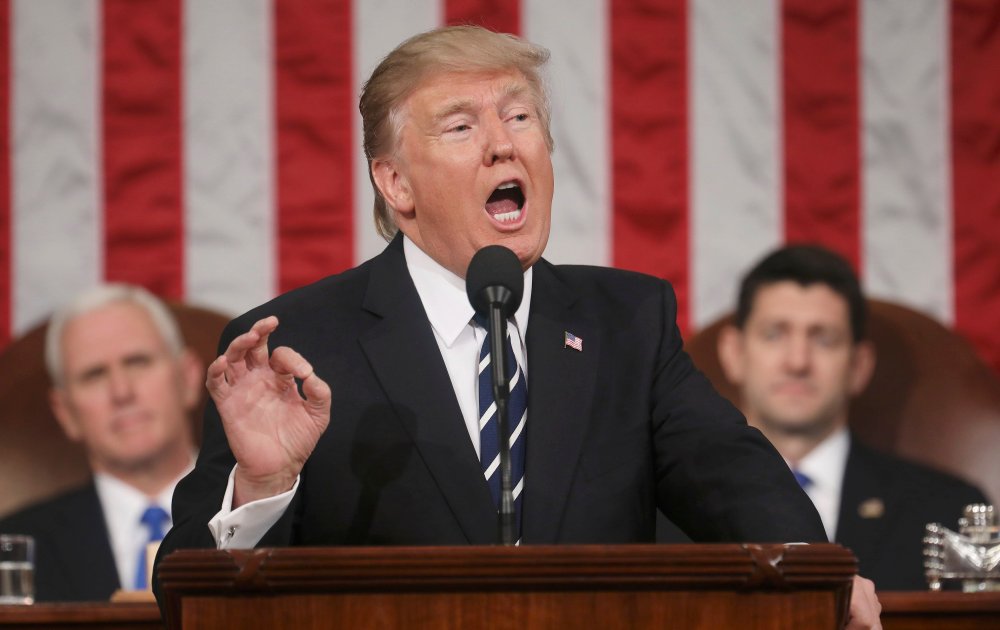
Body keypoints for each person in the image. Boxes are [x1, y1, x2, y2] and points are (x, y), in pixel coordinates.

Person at [157, 27, 881, 627]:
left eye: (519, 116)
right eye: (462, 126)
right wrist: (261, 485)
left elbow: (732, 478)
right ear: (395, 184)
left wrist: (815, 575)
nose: (503, 145)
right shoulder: (298, 346)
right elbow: (181, 597)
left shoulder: (627, 323)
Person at [657, 244, 986, 590]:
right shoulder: (663, 516)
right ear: (734, 353)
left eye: (824, 339)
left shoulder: (946, 513)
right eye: (774, 334)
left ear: (859, 366)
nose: (798, 362)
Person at [0, 284, 203, 601]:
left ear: (188, 378)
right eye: (94, 375)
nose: (122, 392)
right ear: (66, 413)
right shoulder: (15, 549)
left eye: (138, 362)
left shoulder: (274, 517)